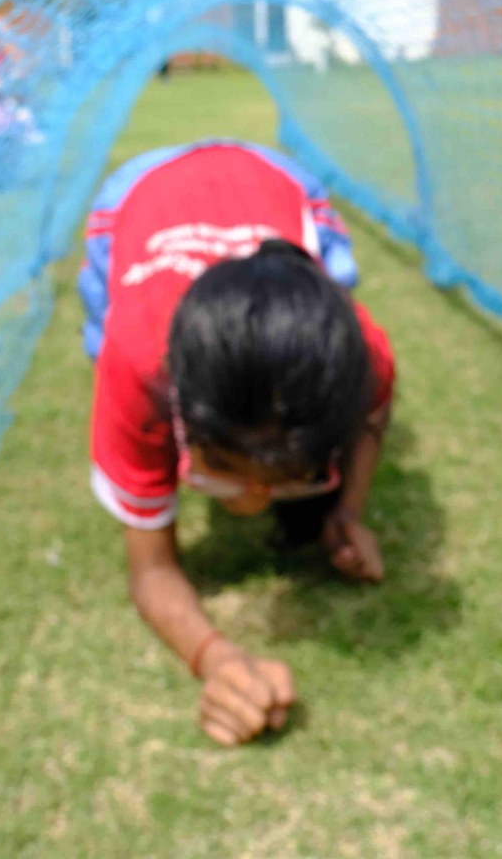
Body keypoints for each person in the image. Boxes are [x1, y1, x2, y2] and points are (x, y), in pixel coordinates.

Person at [80, 141, 397, 747]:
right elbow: (151, 570)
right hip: (138, 192)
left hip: (278, 180)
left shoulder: (361, 355)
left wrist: (349, 512)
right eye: (223, 467)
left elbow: (375, 410)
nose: (251, 503)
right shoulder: (137, 362)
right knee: (105, 346)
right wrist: (216, 658)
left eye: (287, 476)